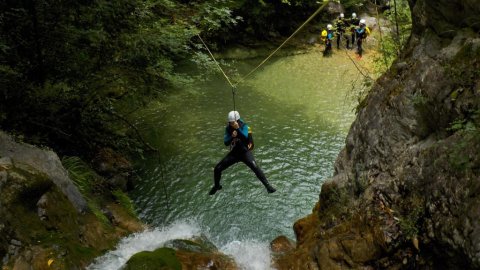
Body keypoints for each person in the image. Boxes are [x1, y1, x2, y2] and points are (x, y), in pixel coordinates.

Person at [209, 111, 276, 195]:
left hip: (245, 152)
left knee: (255, 168)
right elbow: (226, 143)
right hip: (234, 154)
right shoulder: (228, 128)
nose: (230, 124)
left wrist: (237, 129)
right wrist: (232, 137)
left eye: (232, 122)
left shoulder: (245, 127)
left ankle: (268, 186)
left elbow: (245, 139)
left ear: (237, 121)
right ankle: (217, 186)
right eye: (230, 122)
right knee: (217, 168)